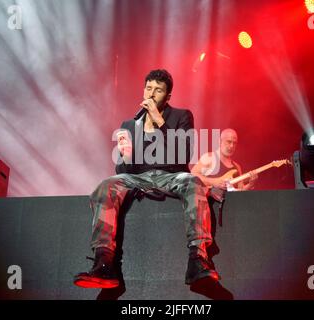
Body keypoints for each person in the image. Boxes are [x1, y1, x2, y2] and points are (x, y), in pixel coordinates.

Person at [74, 69, 219, 289]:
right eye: (149, 88)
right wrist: (125, 155)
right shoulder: (130, 124)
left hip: (170, 175)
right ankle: (104, 262)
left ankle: (198, 258)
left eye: (158, 90)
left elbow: (183, 156)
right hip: (138, 178)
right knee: (107, 185)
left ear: (167, 96)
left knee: (194, 182)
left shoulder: (181, 116)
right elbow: (123, 169)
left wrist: (159, 120)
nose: (151, 94)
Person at [191, 128, 257, 191]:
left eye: (234, 143)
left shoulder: (237, 167)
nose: (232, 146)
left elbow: (239, 191)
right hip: (211, 202)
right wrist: (214, 182)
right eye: (229, 142)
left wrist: (250, 185)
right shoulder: (209, 158)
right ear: (220, 141)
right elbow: (192, 176)